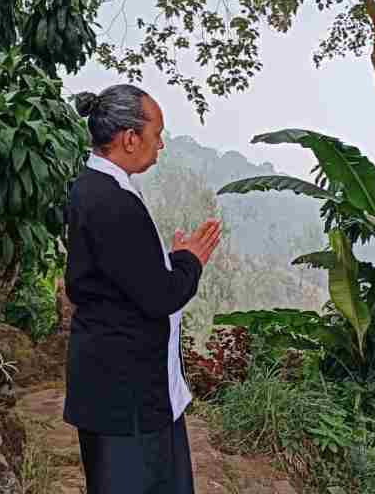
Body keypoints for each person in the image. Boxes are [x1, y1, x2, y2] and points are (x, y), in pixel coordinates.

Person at [62, 84, 222, 494]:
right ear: (130, 138)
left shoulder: (95, 187)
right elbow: (161, 296)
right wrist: (190, 260)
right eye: (157, 134)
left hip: (115, 384)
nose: (161, 144)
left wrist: (170, 260)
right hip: (126, 396)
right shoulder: (111, 202)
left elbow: (126, 274)